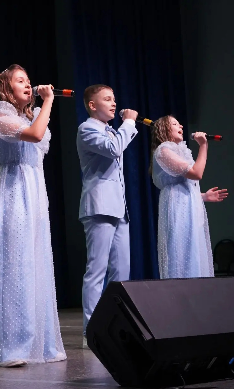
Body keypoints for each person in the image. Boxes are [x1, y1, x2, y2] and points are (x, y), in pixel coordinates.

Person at [0, 64, 66, 367]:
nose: (28, 85)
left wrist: (41, 108)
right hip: (14, 191)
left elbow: (37, 134)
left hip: (35, 191)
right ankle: (11, 348)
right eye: (21, 81)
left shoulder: (31, 116)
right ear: (7, 88)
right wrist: (49, 101)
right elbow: (34, 134)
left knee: (36, 263)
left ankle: (41, 345)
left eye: (29, 80)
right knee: (15, 264)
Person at [76, 84, 138, 348]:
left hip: (119, 208)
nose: (114, 103)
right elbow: (113, 149)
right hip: (99, 206)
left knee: (121, 271)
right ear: (92, 105)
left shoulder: (112, 131)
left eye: (114, 99)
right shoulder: (87, 129)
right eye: (107, 99)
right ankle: (92, 332)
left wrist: (125, 127)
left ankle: (118, 327)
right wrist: (129, 122)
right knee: (97, 270)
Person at [150, 116, 228, 279]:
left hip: (188, 206)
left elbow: (185, 185)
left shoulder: (179, 151)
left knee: (194, 250)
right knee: (182, 250)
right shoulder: (163, 150)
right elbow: (196, 173)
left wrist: (203, 196)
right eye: (174, 124)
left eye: (180, 123)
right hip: (177, 207)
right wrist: (203, 145)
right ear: (164, 129)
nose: (180, 126)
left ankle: (198, 292)